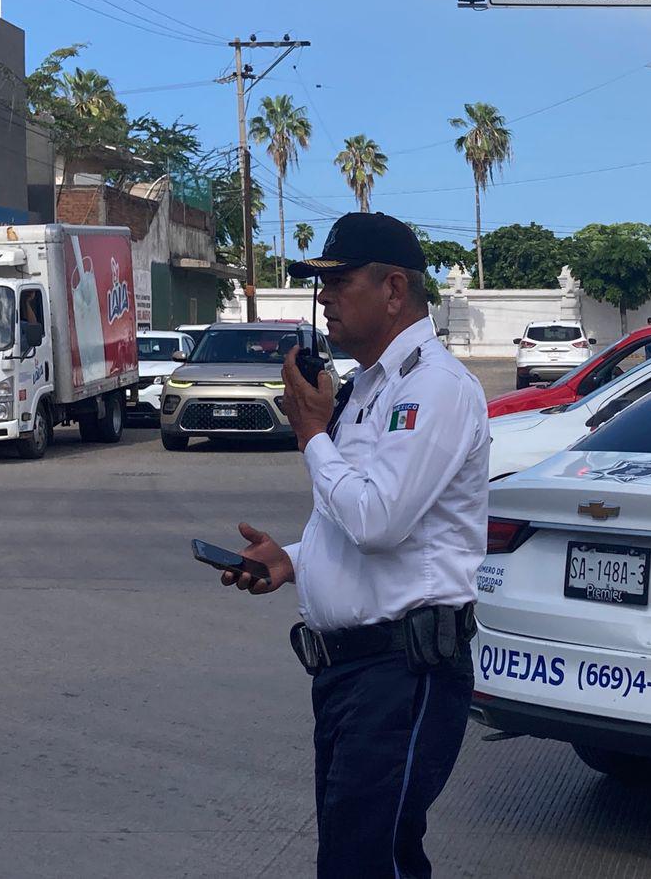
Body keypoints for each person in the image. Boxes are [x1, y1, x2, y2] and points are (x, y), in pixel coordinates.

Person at [219, 212, 489, 878]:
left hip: (404, 673)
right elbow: (349, 521)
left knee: (364, 865)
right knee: (358, 860)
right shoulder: (368, 387)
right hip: (350, 676)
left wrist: (312, 433)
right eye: (322, 283)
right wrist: (291, 558)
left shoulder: (437, 386)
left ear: (393, 289)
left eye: (339, 281)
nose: (324, 297)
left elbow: (378, 521)